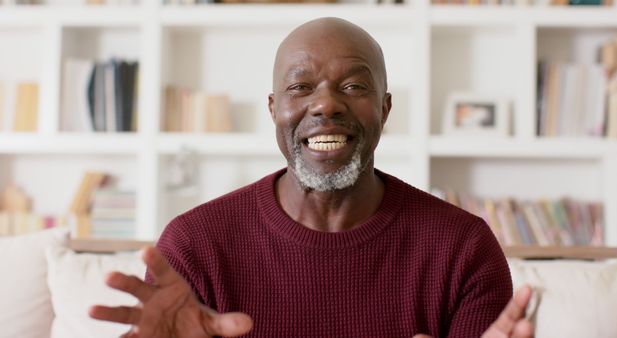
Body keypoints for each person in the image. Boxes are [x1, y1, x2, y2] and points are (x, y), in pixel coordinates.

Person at [90, 17, 534, 338]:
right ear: (272, 109)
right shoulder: (194, 247)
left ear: (384, 109)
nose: (325, 105)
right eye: (301, 87)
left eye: (354, 87)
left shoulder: (463, 250)